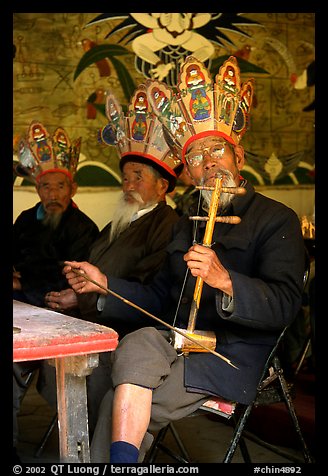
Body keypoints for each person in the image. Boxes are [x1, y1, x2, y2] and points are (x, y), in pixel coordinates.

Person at [63, 56, 306, 463]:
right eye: (196, 157)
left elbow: (285, 305)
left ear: (238, 158)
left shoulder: (275, 219)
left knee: (117, 402)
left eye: (218, 152)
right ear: (189, 173)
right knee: (135, 346)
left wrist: (225, 281)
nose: (209, 163)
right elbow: (160, 298)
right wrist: (104, 283)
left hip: (231, 354)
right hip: (176, 341)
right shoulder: (187, 221)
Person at [38, 86, 183, 434]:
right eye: (126, 177)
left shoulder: (167, 225)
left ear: (162, 187)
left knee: (87, 367)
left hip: (131, 329)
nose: (128, 184)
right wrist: (74, 292)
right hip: (92, 317)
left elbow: (150, 292)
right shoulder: (117, 223)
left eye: (138, 177)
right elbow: (93, 271)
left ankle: (87, 443)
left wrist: (90, 295)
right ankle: (76, 435)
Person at [13, 122, 99, 461]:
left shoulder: (83, 228)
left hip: (61, 316)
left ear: (73, 188)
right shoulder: (23, 220)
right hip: (23, 308)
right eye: (45, 186)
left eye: (59, 186)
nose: (52, 194)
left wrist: (24, 283)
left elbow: (70, 283)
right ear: (37, 189)